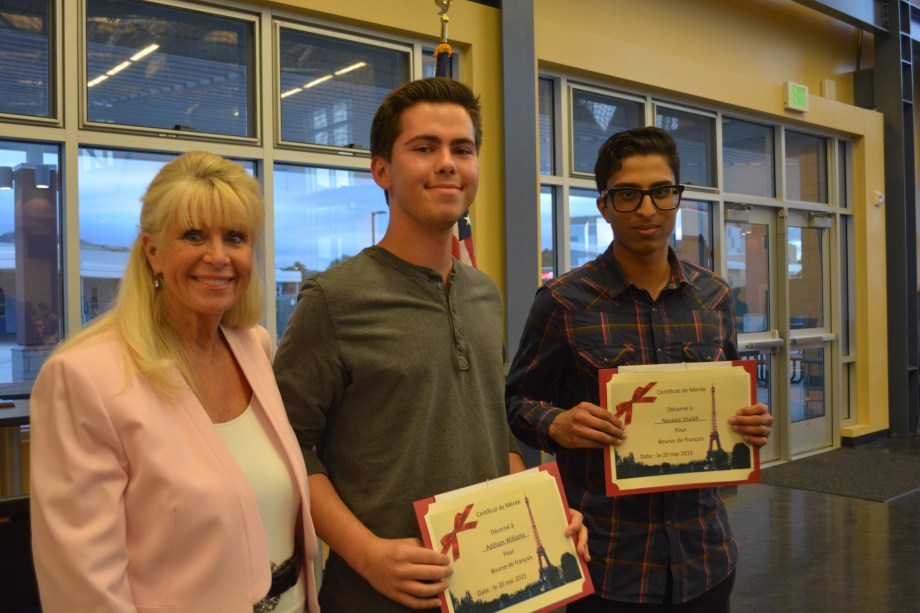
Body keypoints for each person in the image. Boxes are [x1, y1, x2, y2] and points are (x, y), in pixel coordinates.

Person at [273, 77, 587, 612]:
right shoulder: (334, 300)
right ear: (382, 171)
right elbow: (287, 449)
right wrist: (366, 552)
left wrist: (541, 510)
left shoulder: (484, 294)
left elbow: (493, 430)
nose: (447, 164)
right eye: (424, 148)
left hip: (489, 591)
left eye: (462, 149)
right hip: (377, 597)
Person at [29, 151, 319, 613]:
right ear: (152, 251)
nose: (218, 256)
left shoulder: (254, 346)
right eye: (194, 235)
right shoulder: (84, 377)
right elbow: (84, 590)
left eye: (235, 237)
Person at [506, 126, 773, 612]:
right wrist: (556, 424)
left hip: (705, 558)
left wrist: (750, 422)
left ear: (677, 198)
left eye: (661, 192)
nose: (647, 209)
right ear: (604, 205)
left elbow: (729, 396)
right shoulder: (563, 302)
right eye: (628, 194)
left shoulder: (713, 297)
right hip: (610, 564)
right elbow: (516, 402)